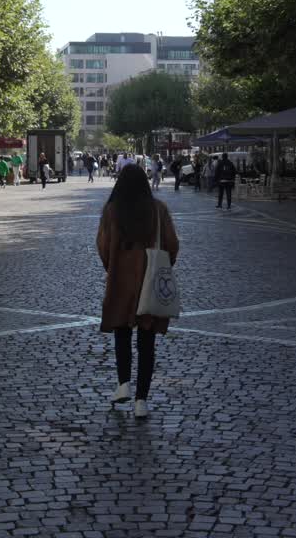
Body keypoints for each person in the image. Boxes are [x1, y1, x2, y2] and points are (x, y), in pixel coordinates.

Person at [97, 163, 180, 419]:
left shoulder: (112, 210)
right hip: (149, 280)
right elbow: (172, 245)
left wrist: (114, 266)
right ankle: (141, 401)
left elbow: (102, 244)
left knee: (121, 334)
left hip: (121, 282)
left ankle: (123, 384)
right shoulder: (158, 210)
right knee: (147, 342)